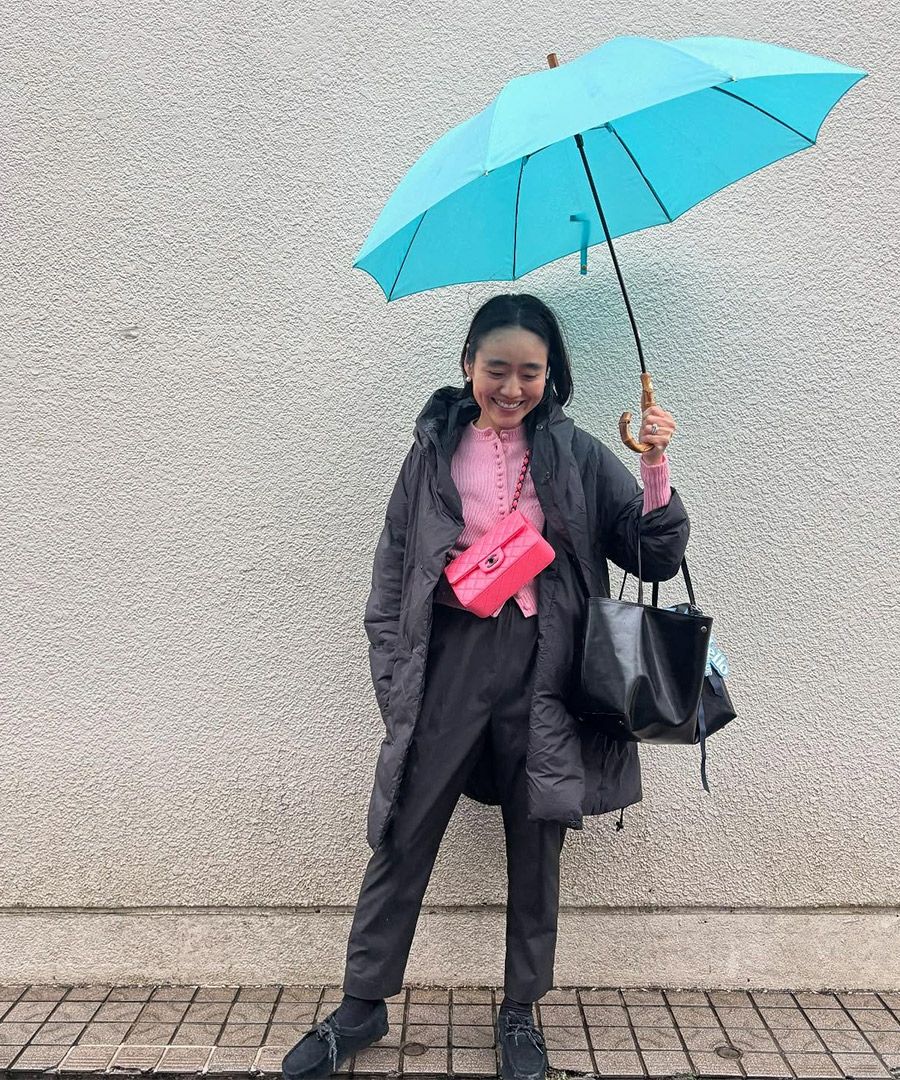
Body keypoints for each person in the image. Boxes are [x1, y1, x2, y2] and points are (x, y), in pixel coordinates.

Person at [283, 293, 689, 1080]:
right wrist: (396, 676)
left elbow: (653, 555)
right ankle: (362, 1005)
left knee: (537, 841)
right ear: (468, 364)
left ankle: (519, 1013)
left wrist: (653, 465)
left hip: (549, 666)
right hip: (452, 659)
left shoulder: (574, 454)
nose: (512, 386)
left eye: (530, 371)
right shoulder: (432, 453)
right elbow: (394, 568)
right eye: (496, 368)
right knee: (405, 827)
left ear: (551, 374)